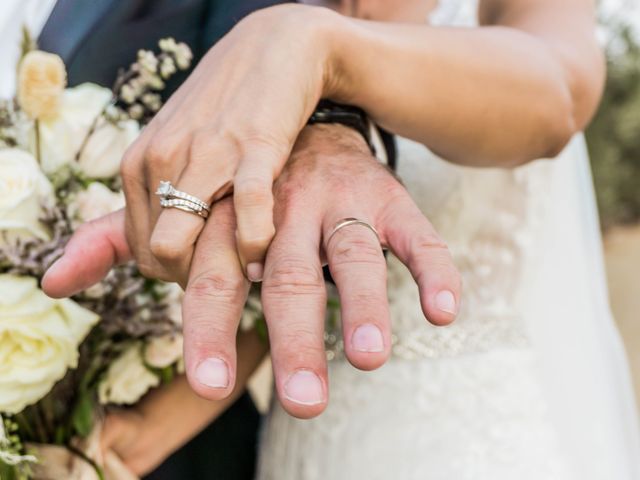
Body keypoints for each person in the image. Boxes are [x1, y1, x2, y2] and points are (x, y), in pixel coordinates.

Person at [41, 0, 640, 478]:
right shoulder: (243, 17)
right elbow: (274, 262)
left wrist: (311, 43)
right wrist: (156, 423)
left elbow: (557, 92)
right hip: (305, 442)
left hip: (471, 436)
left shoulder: (277, 35)